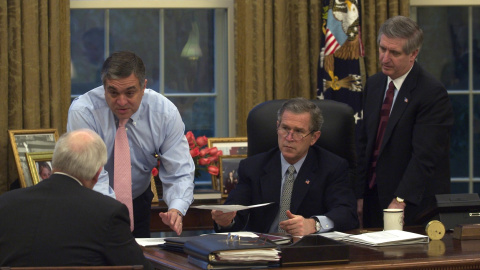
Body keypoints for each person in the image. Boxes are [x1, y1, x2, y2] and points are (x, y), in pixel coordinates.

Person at [67, 51, 195, 237]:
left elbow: (179, 169)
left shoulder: (163, 113)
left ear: (143, 86)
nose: (121, 101)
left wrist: (176, 208)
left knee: (138, 262)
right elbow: (91, 175)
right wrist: (116, 216)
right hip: (90, 203)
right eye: (113, 92)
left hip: (138, 200)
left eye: (129, 92)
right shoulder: (84, 112)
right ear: (104, 87)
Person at [0, 129, 152, 269]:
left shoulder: (5, 203)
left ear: (55, 162)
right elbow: (139, 266)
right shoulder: (108, 212)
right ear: (97, 174)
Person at [356, 16, 454, 228]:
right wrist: (359, 195)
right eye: (382, 49)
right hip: (374, 198)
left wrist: (400, 199)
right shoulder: (374, 84)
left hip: (412, 205)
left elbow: (424, 157)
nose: (384, 58)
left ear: (413, 54)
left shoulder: (432, 93)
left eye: (395, 53)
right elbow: (364, 144)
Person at [211, 98, 358, 235]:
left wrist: (313, 224)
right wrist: (226, 221)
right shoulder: (252, 167)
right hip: (263, 251)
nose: (288, 137)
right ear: (277, 127)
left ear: (314, 137)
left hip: (308, 251)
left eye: (299, 131)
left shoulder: (332, 167)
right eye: (285, 128)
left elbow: (347, 214)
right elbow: (235, 213)